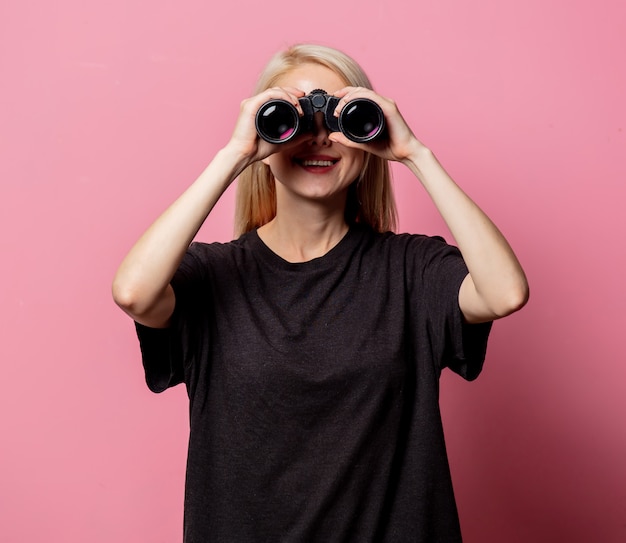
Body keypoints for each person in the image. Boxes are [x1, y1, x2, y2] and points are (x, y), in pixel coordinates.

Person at [112, 43, 529, 542]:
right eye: (294, 118)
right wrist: (236, 155)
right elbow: (134, 293)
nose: (318, 139)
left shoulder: (412, 270)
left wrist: (413, 153)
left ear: (367, 132)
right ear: (264, 135)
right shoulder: (211, 277)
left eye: (338, 116)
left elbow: (504, 294)